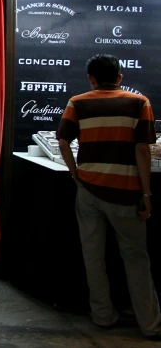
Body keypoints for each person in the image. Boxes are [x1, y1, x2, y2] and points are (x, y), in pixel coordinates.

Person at [57, 55, 161, 338]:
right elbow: (143, 150)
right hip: (126, 191)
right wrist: (146, 193)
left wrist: (74, 172)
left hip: (88, 189)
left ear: (91, 78)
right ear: (119, 77)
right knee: (136, 258)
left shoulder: (77, 102)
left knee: (93, 256)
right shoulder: (140, 103)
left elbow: (63, 140)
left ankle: (102, 315)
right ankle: (150, 324)